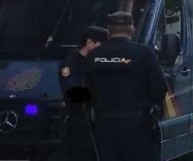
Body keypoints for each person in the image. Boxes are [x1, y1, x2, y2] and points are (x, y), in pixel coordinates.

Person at [86, 11, 168, 161]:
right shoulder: (144, 53)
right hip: (137, 124)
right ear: (132, 29)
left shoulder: (94, 55)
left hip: (104, 124)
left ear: (108, 31)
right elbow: (159, 88)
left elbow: (86, 88)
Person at [59, 26, 109, 160]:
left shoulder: (96, 62)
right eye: (100, 45)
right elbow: (73, 92)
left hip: (97, 121)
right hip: (79, 120)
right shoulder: (70, 64)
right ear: (89, 43)